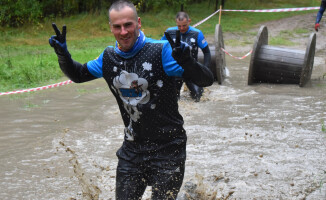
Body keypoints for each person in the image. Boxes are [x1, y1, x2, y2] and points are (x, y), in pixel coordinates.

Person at [49, 0, 213, 199]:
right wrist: (63, 55)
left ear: (139, 23)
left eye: (128, 25)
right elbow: (78, 74)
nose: (123, 32)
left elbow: (206, 80)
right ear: (111, 27)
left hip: (169, 149)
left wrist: (187, 61)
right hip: (132, 150)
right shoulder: (108, 58)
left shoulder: (162, 51)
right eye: (117, 26)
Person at [161, 11, 211, 102]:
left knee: (198, 98)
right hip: (175, 71)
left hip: (191, 70)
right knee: (174, 100)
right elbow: (160, 49)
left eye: (184, 25)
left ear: (189, 21)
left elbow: (207, 52)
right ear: (176, 22)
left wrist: (205, 69)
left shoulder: (197, 33)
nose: (181, 28)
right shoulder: (169, 32)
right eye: (179, 26)